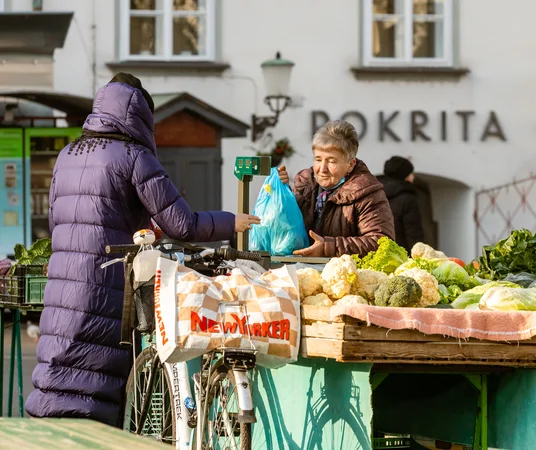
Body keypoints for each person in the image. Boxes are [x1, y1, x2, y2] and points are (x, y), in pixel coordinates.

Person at [24, 73, 260, 426]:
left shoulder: (67, 155)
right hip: (105, 289)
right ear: (140, 116)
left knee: (59, 373)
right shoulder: (133, 157)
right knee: (96, 383)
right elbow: (183, 225)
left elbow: (61, 220)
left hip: (63, 285)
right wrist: (230, 222)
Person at [278, 120, 394, 257]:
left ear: (350, 164)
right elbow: (285, 230)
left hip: (346, 276)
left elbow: (381, 243)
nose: (322, 169)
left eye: (332, 161)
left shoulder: (368, 193)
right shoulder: (304, 185)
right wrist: (280, 195)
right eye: (318, 159)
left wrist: (327, 248)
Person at [378, 156, 424, 253]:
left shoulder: (375, 194)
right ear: (404, 175)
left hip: (379, 251)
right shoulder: (408, 199)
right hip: (401, 254)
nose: (413, 177)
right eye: (410, 173)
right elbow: (413, 232)